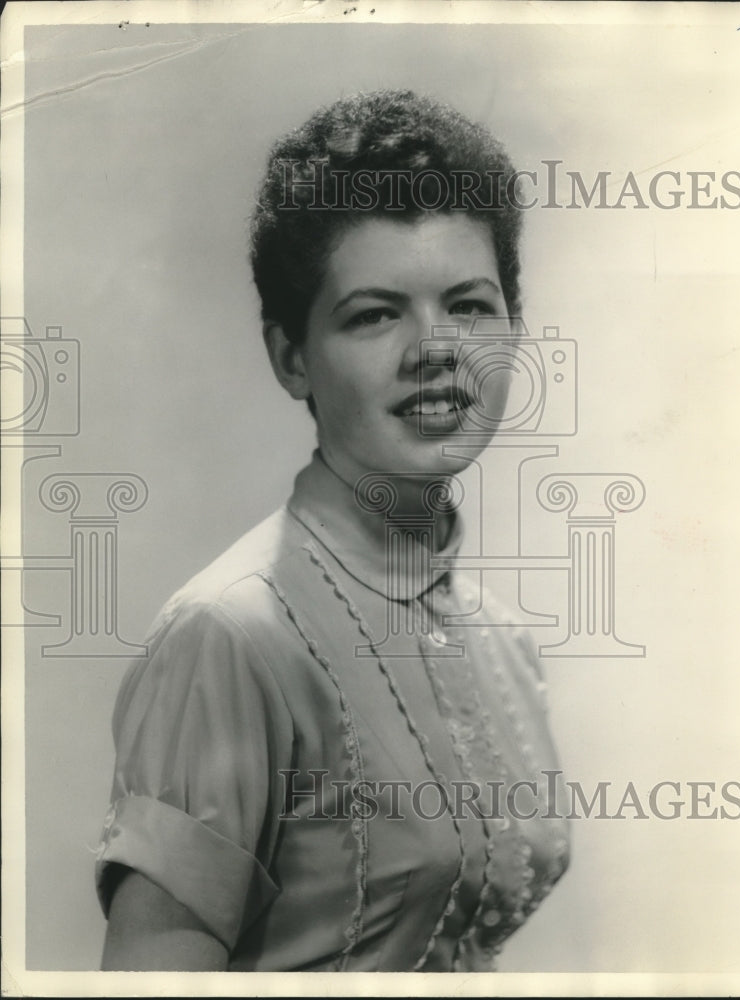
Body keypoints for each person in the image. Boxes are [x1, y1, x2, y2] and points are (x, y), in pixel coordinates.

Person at [97, 90, 570, 972]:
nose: (438, 348)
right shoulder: (231, 636)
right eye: (375, 313)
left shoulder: (505, 640)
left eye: (470, 305)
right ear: (291, 357)